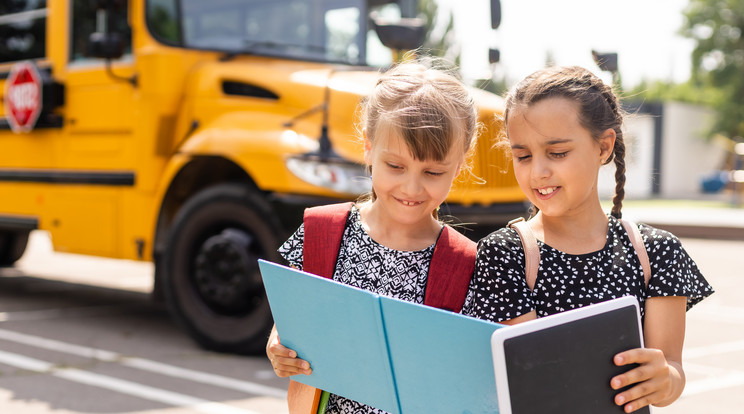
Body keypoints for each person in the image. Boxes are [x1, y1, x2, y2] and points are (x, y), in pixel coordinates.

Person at [461, 65, 714, 413]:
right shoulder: (505, 254)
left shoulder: (656, 252)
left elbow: (672, 371)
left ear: (604, 147)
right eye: (523, 156)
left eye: (558, 153)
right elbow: (534, 384)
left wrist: (663, 380)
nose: (538, 172)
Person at [266, 60, 479, 414]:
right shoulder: (322, 233)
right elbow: (288, 328)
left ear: (459, 165)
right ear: (367, 146)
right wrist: (280, 349)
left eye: (433, 172)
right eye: (395, 166)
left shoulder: (466, 264)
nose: (411, 187)